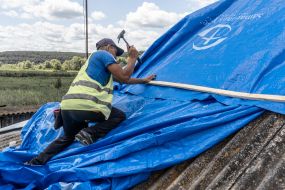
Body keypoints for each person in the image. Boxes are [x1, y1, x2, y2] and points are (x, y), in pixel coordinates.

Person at [26, 38, 155, 165]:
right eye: (116, 52)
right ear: (109, 47)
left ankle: (36, 162)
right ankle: (89, 133)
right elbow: (124, 75)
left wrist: (143, 80)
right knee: (118, 116)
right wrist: (132, 58)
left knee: (67, 137)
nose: (116, 56)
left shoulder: (94, 65)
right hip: (86, 106)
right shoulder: (103, 54)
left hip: (67, 107)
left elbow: (124, 80)